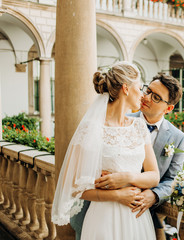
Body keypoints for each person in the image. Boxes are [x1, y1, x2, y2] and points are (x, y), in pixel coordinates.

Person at [52, 62, 160, 240]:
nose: (142, 95)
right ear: (126, 88)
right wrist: (117, 195)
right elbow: (72, 187)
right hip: (103, 218)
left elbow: (154, 176)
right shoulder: (91, 128)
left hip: (136, 218)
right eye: (139, 88)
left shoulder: (139, 127)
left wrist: (127, 177)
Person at [70, 73, 184, 240]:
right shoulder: (112, 122)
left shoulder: (177, 137)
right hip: (100, 210)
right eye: (147, 90)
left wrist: (153, 195)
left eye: (156, 97)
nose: (146, 97)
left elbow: (171, 179)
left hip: (139, 215)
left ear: (168, 108)